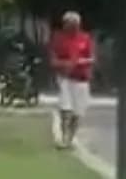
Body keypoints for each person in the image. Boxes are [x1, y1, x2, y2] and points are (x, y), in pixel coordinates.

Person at [49, 11, 94, 149]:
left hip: (82, 79)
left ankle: (70, 138)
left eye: (76, 25)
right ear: (65, 25)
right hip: (65, 79)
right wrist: (65, 64)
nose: (74, 27)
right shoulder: (59, 38)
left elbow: (92, 58)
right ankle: (63, 138)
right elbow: (53, 60)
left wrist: (80, 61)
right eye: (70, 25)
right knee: (65, 109)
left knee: (77, 112)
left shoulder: (85, 38)